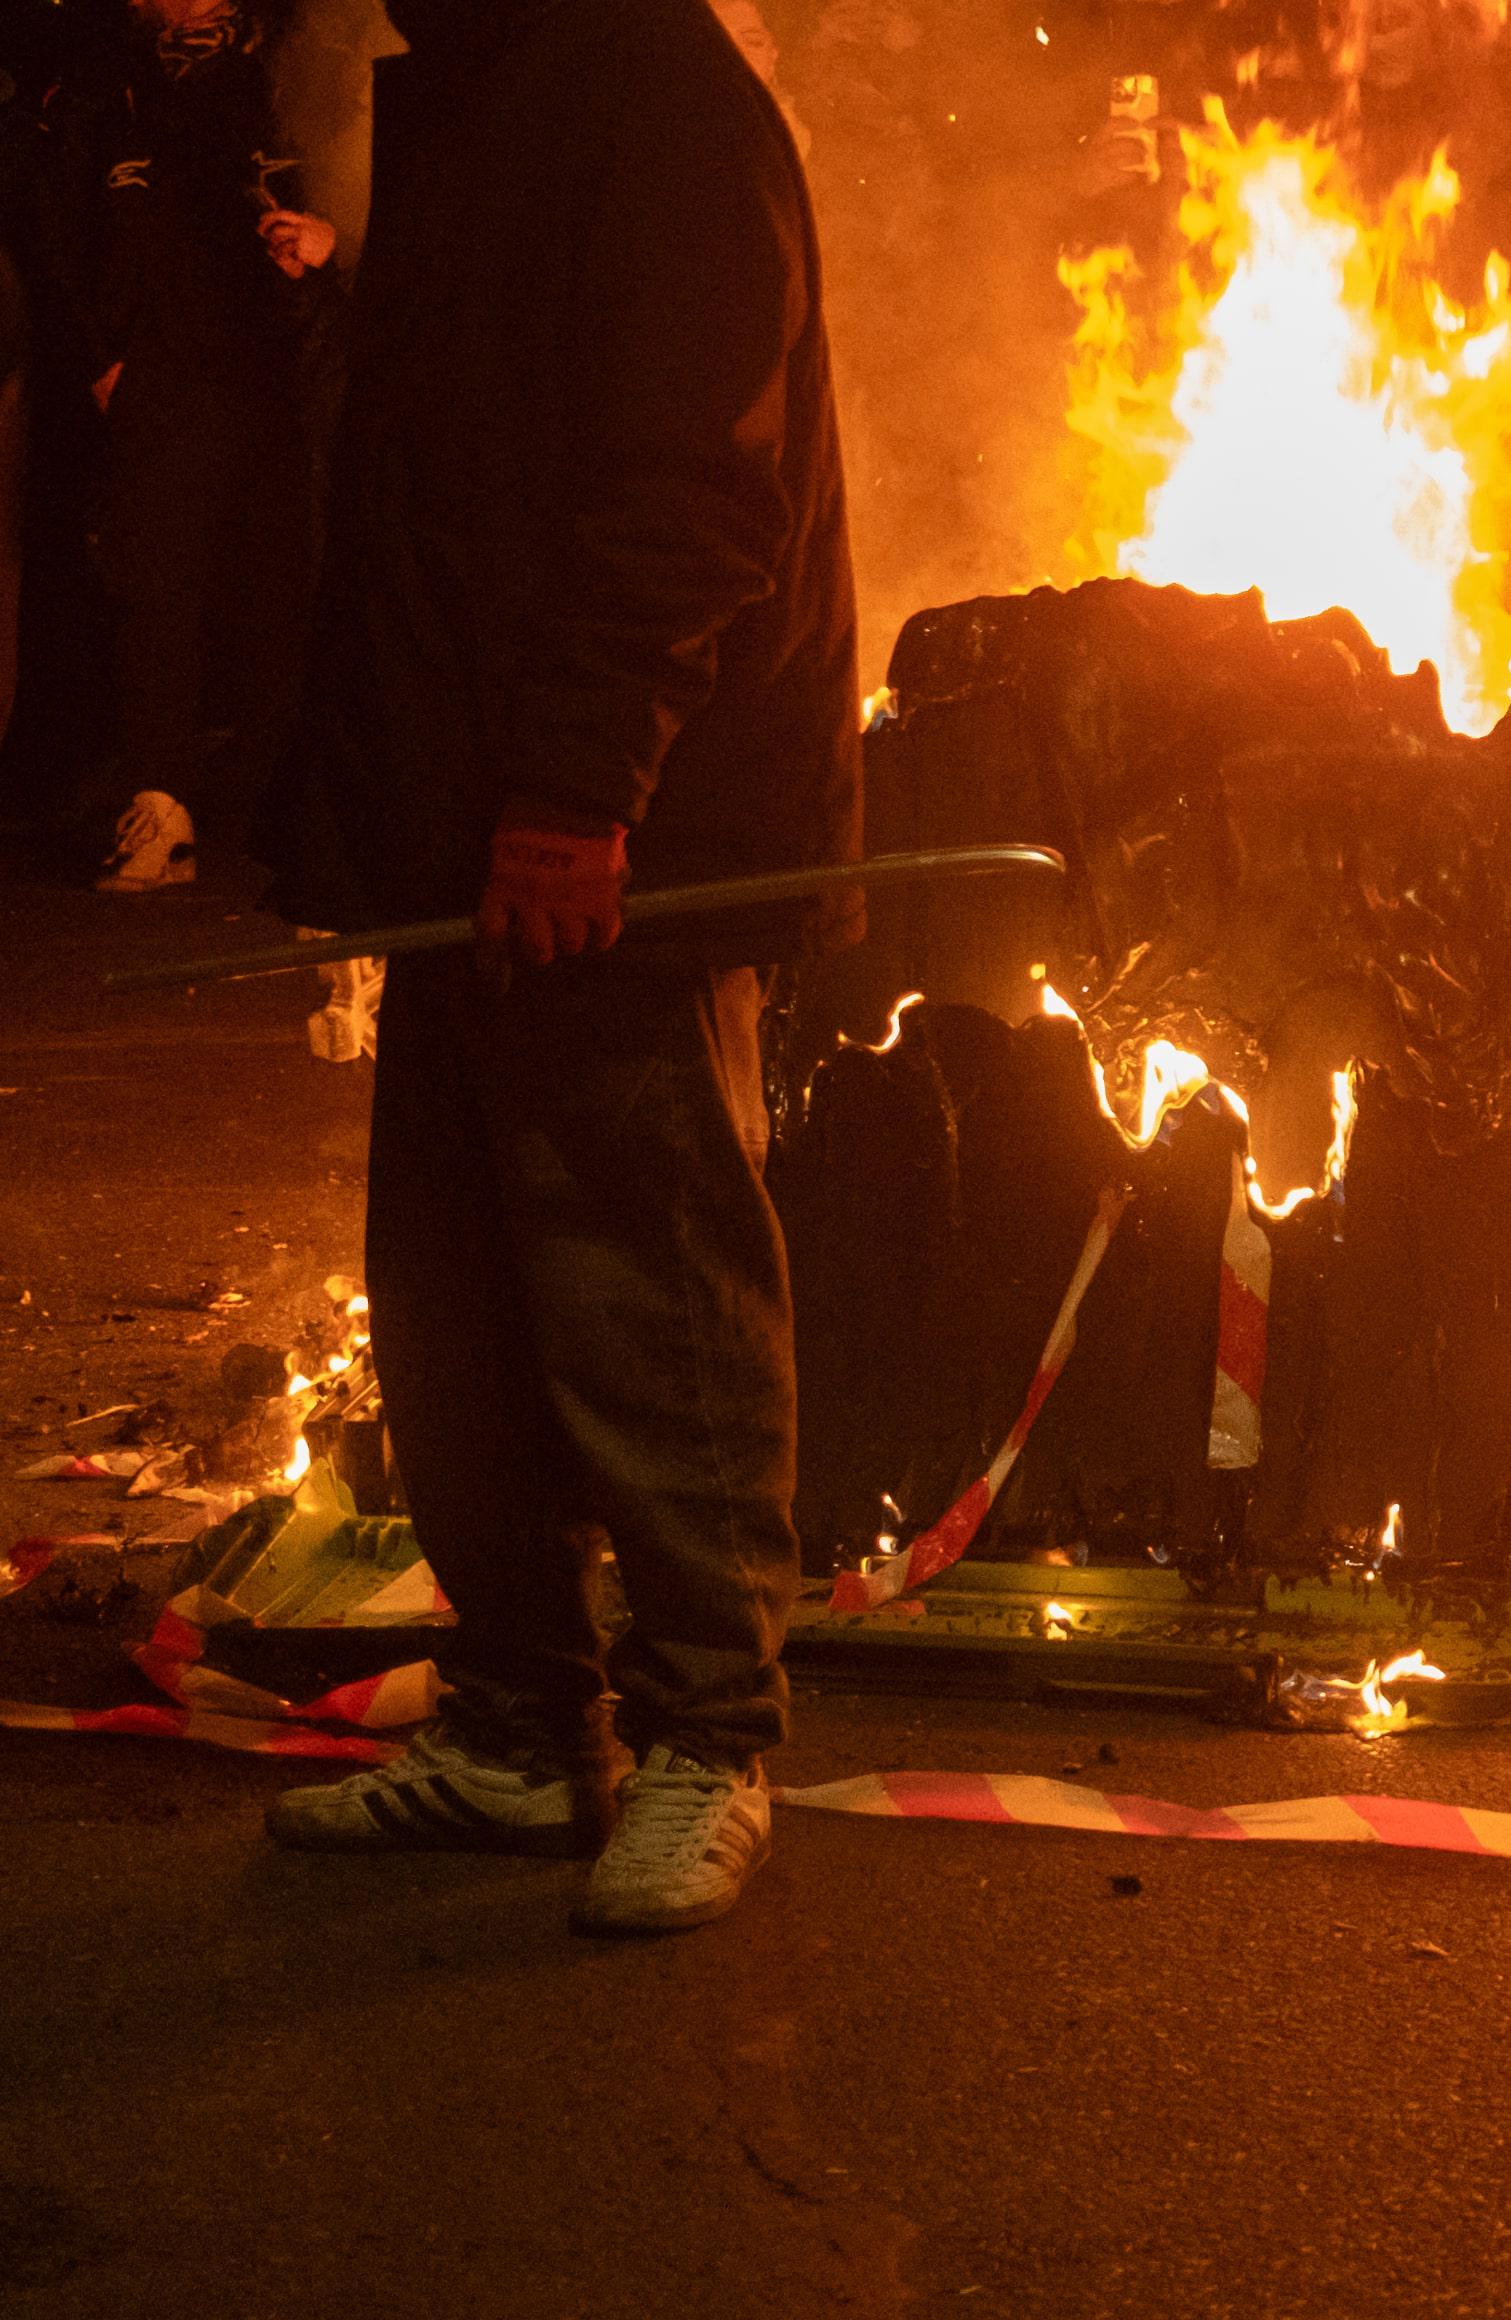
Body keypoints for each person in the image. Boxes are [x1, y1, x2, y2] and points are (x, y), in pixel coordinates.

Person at [258, 0, 862, 1936]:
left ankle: (708, 1733)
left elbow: (692, 489)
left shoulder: (658, 103)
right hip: (470, 839)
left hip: (617, 849)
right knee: (460, 1308)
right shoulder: (490, 98)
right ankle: (524, 1717)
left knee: (649, 1291)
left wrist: (578, 790)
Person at [80, 0, 339, 874]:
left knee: (279, 586)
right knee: (160, 585)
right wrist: (103, 352)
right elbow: (68, 220)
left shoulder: (293, 70)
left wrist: (321, 251)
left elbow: (360, 193)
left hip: (278, 362)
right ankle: (160, 804)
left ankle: (272, 808)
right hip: (164, 367)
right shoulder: (110, 84)